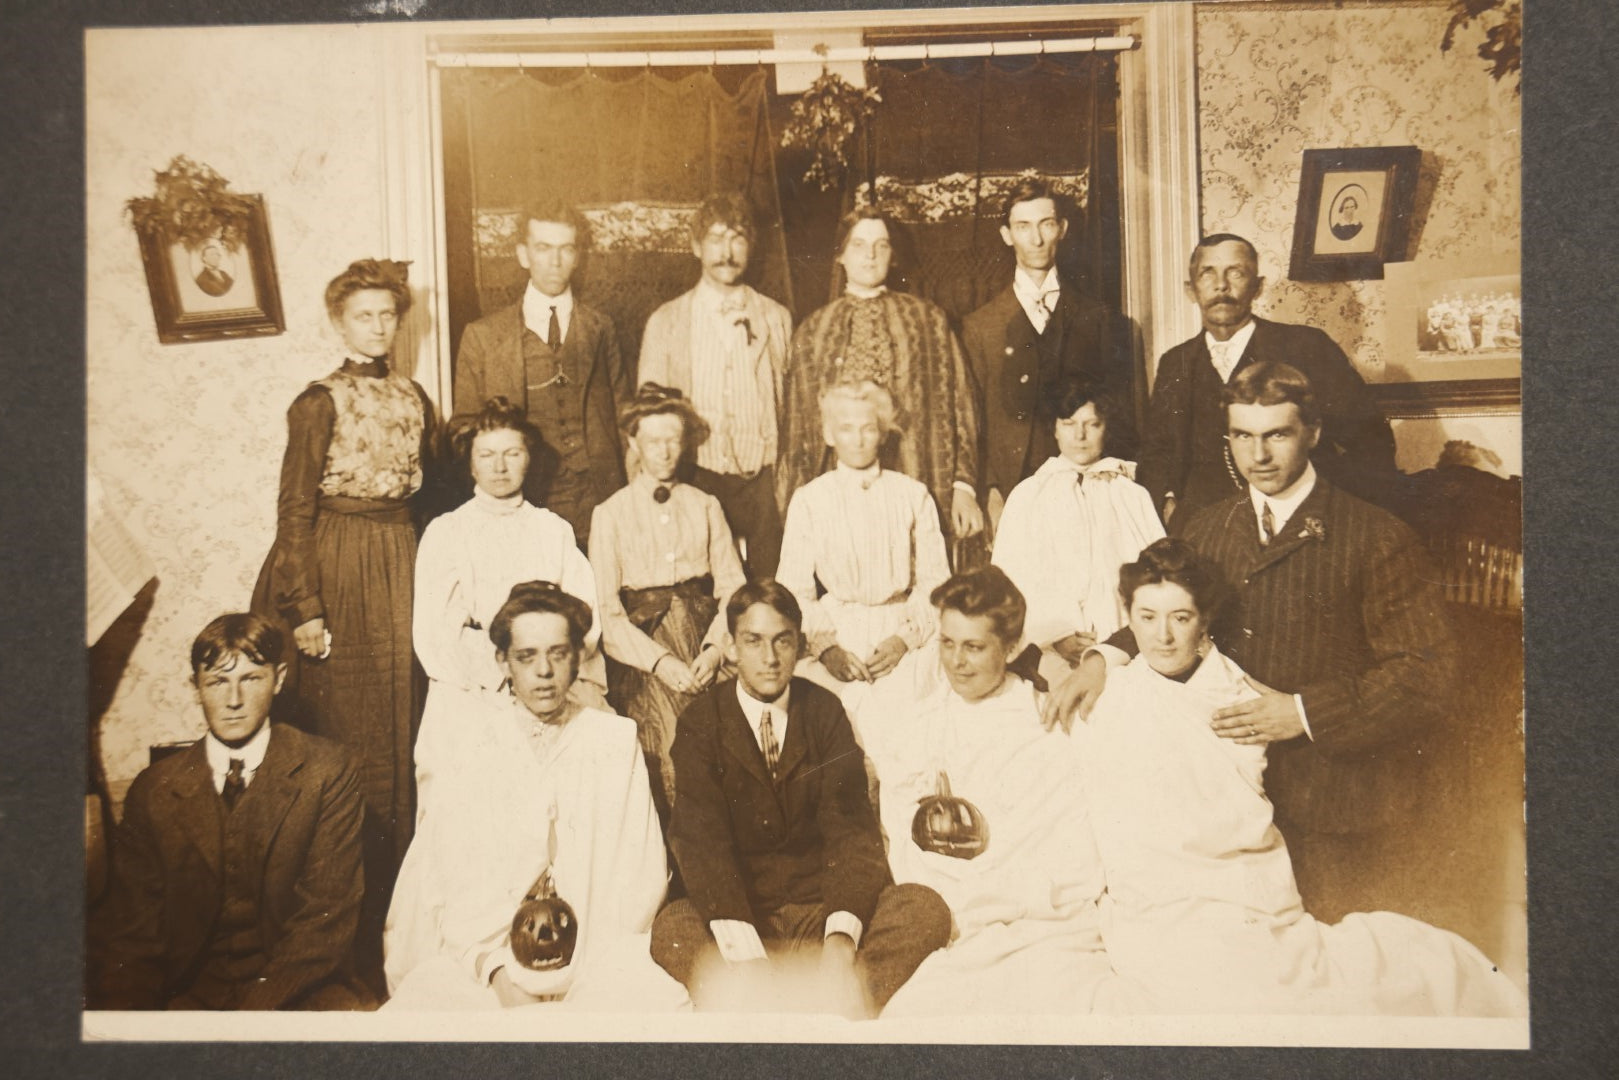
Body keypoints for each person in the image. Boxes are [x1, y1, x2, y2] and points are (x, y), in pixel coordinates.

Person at [1047, 362, 1457, 924]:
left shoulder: (1376, 536)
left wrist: (1305, 711)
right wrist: (1104, 658)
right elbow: (1163, 605)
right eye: (1242, 436)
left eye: (1277, 435)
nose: (1257, 455)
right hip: (1226, 797)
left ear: (1312, 433)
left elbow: (1426, 676)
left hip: (1332, 798)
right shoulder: (1208, 527)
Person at [1073, 538, 1523, 1016]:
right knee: (1188, 991)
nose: (1162, 635)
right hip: (1148, 897)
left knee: (1278, 992)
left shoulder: (1240, 694)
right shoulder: (1107, 696)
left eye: (1180, 618)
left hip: (1237, 887)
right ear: (1129, 615)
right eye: (1147, 617)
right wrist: (1100, 658)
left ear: (1204, 621)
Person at [251, 257, 433, 986]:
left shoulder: (414, 394)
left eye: (388, 314)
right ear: (338, 322)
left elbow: (431, 497)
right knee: (346, 744)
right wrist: (306, 611)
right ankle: (338, 941)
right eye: (364, 315)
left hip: (400, 562)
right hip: (335, 566)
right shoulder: (316, 403)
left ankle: (401, 930)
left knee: (403, 736)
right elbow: (293, 511)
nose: (378, 326)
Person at [650, 580, 952, 1018]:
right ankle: (796, 997)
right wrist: (746, 954)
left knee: (924, 909)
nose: (770, 659)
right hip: (744, 915)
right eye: (753, 642)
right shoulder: (702, 721)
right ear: (732, 648)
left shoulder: (824, 711)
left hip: (819, 912)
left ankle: (826, 995)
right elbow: (701, 844)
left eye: (782, 641)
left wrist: (839, 943)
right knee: (672, 927)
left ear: (800, 644)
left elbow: (851, 832)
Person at [384, 583, 681, 1011]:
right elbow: (451, 878)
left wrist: (578, 971)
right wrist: (498, 972)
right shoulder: (473, 746)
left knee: (649, 1009)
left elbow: (639, 875)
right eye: (527, 656)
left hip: (597, 956)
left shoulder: (613, 741)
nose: (544, 671)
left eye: (558, 654)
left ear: (577, 658)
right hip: (489, 960)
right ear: (503, 661)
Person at [853, 567, 1120, 1017]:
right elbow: (904, 835)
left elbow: (1065, 852)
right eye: (948, 643)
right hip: (945, 919)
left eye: (974, 647)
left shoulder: (1046, 726)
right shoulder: (920, 723)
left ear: (1012, 647)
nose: (957, 662)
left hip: (1031, 920)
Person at [88, 613, 370, 1011]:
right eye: (218, 681)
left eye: (251, 679)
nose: (233, 700)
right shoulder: (154, 790)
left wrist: (246, 1022)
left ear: (279, 678)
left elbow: (323, 926)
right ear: (195, 688)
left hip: (302, 989)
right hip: (189, 994)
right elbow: (134, 939)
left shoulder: (328, 771)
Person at [408, 395, 607, 850]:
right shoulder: (447, 531)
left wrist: (543, 670)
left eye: (512, 453)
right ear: (471, 463)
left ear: (528, 457)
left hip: (549, 677)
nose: (500, 467)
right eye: (487, 455)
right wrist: (500, 677)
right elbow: (435, 636)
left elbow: (585, 620)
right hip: (473, 687)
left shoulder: (551, 529)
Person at [1135, 234, 1398, 529]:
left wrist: (1326, 509)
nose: (1221, 285)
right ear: (1191, 290)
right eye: (1207, 273)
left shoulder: (1306, 347)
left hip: (1296, 526)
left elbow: (1372, 440)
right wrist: (1170, 509)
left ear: (1257, 287)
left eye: (1236, 272)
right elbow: (1156, 454)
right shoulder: (1175, 362)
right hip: (1203, 531)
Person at [775, 206, 984, 545]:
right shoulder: (814, 330)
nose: (870, 256)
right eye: (858, 245)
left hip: (920, 477)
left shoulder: (928, 321)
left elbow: (963, 405)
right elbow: (797, 429)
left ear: (892, 254)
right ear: (840, 255)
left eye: (881, 246)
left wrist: (963, 485)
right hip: (839, 493)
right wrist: (797, 510)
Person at [589, 383, 748, 816]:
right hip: (646, 653)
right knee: (666, 746)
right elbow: (608, 612)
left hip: (706, 642)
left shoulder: (705, 505)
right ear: (633, 442)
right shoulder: (611, 514)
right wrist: (662, 663)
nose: (664, 451)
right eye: (653, 441)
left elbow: (733, 589)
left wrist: (715, 651)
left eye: (673, 440)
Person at [451, 200, 630, 548]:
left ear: (577, 257)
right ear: (523, 254)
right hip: (523, 500)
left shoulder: (601, 328)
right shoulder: (483, 336)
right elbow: (465, 429)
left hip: (597, 500)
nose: (555, 260)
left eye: (565, 249)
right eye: (543, 248)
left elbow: (624, 418)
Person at [960, 177, 1132, 532]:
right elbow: (973, 414)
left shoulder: (1096, 317)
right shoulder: (980, 326)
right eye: (1023, 226)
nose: (1036, 239)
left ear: (1062, 229)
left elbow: (1118, 408)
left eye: (1046, 224)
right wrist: (990, 488)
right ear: (1007, 234)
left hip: (1086, 483)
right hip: (1012, 487)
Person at [638, 192, 792, 575]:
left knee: (767, 588)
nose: (728, 251)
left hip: (763, 482)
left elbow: (789, 403)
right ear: (695, 246)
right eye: (716, 238)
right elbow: (648, 417)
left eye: (738, 238)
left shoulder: (776, 317)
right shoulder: (667, 321)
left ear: (751, 246)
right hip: (696, 476)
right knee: (701, 583)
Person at [777, 381, 951, 691]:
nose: (857, 440)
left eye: (868, 428)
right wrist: (826, 648)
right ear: (829, 435)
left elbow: (936, 582)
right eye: (846, 428)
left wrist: (904, 640)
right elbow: (793, 590)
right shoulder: (810, 499)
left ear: (883, 434)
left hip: (903, 631)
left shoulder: (912, 494)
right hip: (838, 632)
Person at [991, 379, 1163, 688]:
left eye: (1092, 424)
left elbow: (1158, 577)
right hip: (1046, 650)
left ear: (1105, 428)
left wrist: (1118, 642)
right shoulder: (1028, 495)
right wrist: (1057, 637)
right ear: (1054, 429)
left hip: (1123, 645)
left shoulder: (1130, 494)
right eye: (1069, 424)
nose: (1080, 435)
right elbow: (1010, 579)